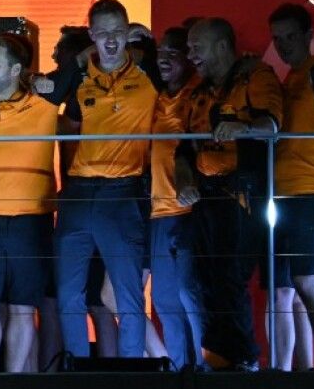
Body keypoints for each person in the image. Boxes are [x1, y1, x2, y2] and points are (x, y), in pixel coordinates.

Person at [53, 0, 158, 362]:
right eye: (102, 33)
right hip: (78, 193)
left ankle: (130, 374)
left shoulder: (148, 72)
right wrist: (79, 60)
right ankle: (76, 370)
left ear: (128, 33)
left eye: (118, 32)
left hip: (124, 191)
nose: (111, 41)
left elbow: (184, 72)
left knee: (128, 296)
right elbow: (51, 96)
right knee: (69, 294)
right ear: (92, 35)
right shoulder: (82, 78)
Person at [184, 16, 284, 370]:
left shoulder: (255, 77)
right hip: (205, 198)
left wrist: (241, 128)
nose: (190, 55)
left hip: (242, 195)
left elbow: (272, 125)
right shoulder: (198, 92)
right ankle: (217, 361)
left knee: (230, 278)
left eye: (197, 47)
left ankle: (244, 362)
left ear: (223, 46)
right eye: (188, 48)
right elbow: (184, 149)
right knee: (205, 279)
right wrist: (185, 181)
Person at [0, 33, 60, 372]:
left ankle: (15, 379)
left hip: (32, 220)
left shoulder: (45, 104)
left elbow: (78, 68)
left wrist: (38, 79)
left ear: (16, 70)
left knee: (22, 308)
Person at [269, 2, 314, 369]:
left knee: (307, 284)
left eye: (290, 37)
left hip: (309, 191)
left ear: (308, 36)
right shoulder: (288, 79)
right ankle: (299, 371)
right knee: (288, 289)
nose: (284, 45)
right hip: (282, 193)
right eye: (278, 39)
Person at [148, 24, 204, 370]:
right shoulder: (156, 97)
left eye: (173, 52)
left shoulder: (199, 95)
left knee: (191, 296)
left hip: (189, 211)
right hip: (158, 211)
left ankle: (205, 370)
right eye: (161, 52)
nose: (164, 59)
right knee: (165, 300)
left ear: (189, 57)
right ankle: (180, 371)